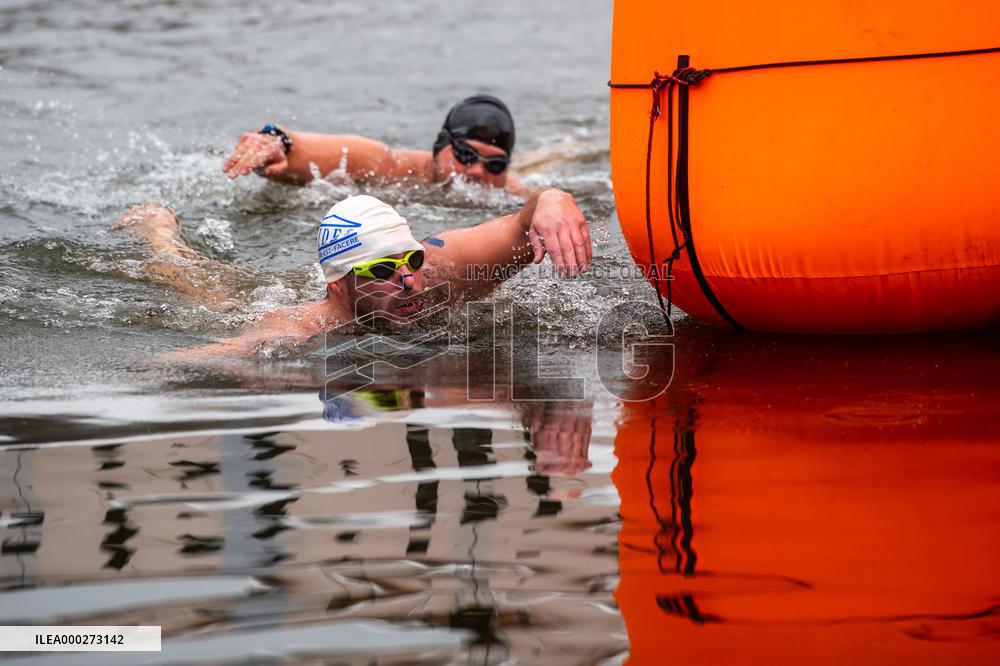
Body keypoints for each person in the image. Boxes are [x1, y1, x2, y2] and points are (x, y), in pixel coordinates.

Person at [114, 188, 591, 358]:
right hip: (264, 307)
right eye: (383, 269)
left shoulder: (443, 271)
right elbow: (216, 354)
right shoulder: (302, 328)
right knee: (193, 280)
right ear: (339, 284)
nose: (408, 279)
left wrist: (553, 202)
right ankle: (156, 230)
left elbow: (522, 217)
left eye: (411, 260)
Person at [221, 95, 530, 196]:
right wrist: (275, 141)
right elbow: (316, 149)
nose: (476, 171)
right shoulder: (388, 165)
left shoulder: (511, 193)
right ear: (441, 146)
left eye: (495, 164)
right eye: (465, 154)